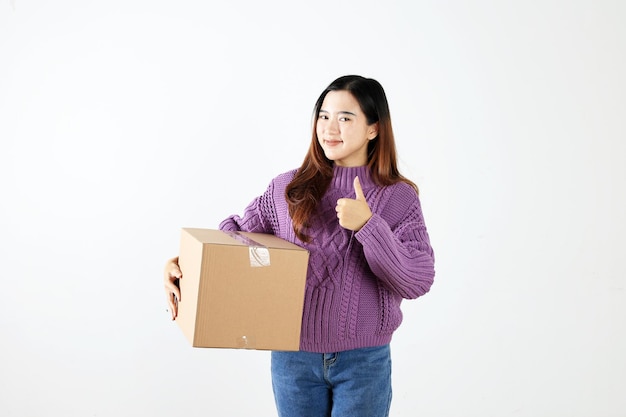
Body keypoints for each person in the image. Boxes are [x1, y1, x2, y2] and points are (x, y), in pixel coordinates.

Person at [164, 75, 435, 417]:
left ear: (373, 128)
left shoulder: (399, 197)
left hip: (364, 360)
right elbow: (231, 243)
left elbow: (418, 280)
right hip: (292, 359)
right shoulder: (287, 188)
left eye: (345, 118)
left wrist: (369, 226)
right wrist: (181, 264)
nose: (329, 128)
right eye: (323, 115)